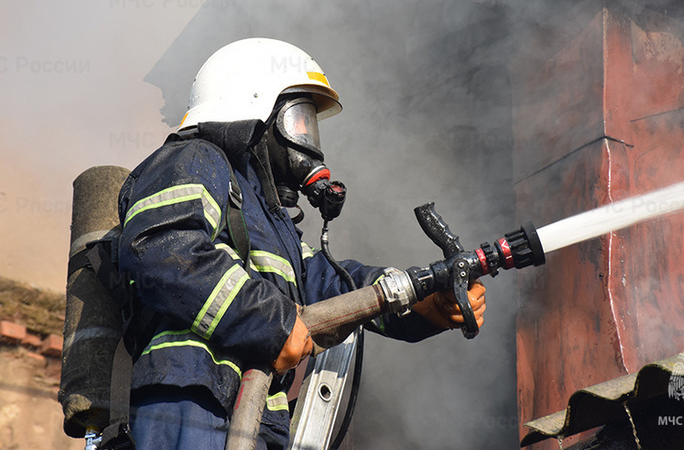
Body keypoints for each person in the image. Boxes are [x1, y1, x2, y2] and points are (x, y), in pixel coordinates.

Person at [117, 37, 487, 450]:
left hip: (259, 419)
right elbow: (164, 249)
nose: (307, 141)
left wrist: (421, 300)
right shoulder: (193, 159)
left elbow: (333, 286)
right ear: (253, 107)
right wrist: (270, 322)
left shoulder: (269, 221)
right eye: (299, 120)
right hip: (190, 398)